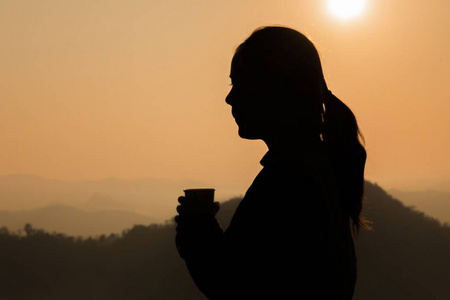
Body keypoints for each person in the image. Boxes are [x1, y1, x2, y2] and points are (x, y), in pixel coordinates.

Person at [175, 26, 369, 299]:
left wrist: (196, 231)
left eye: (240, 83)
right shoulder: (317, 168)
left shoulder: (288, 183)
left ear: (276, 89)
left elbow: (231, 284)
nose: (229, 98)